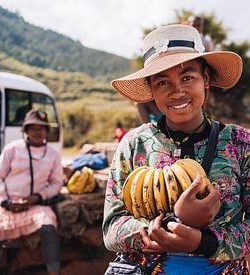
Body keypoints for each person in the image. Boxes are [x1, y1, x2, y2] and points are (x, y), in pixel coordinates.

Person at [103, 24, 249, 274]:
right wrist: (172, 225)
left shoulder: (240, 143)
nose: (177, 91)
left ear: (206, 80)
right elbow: (112, 229)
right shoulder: (134, 144)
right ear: (151, 90)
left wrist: (203, 242)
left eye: (187, 77)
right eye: (163, 82)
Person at [0, 109, 63, 275]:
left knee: (48, 228)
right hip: (6, 207)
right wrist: (5, 201)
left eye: (42, 128)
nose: (38, 132)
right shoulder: (13, 149)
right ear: (26, 131)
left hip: (35, 206)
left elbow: (56, 183)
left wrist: (37, 198)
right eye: (33, 128)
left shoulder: (53, 155)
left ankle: (54, 271)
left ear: (47, 131)